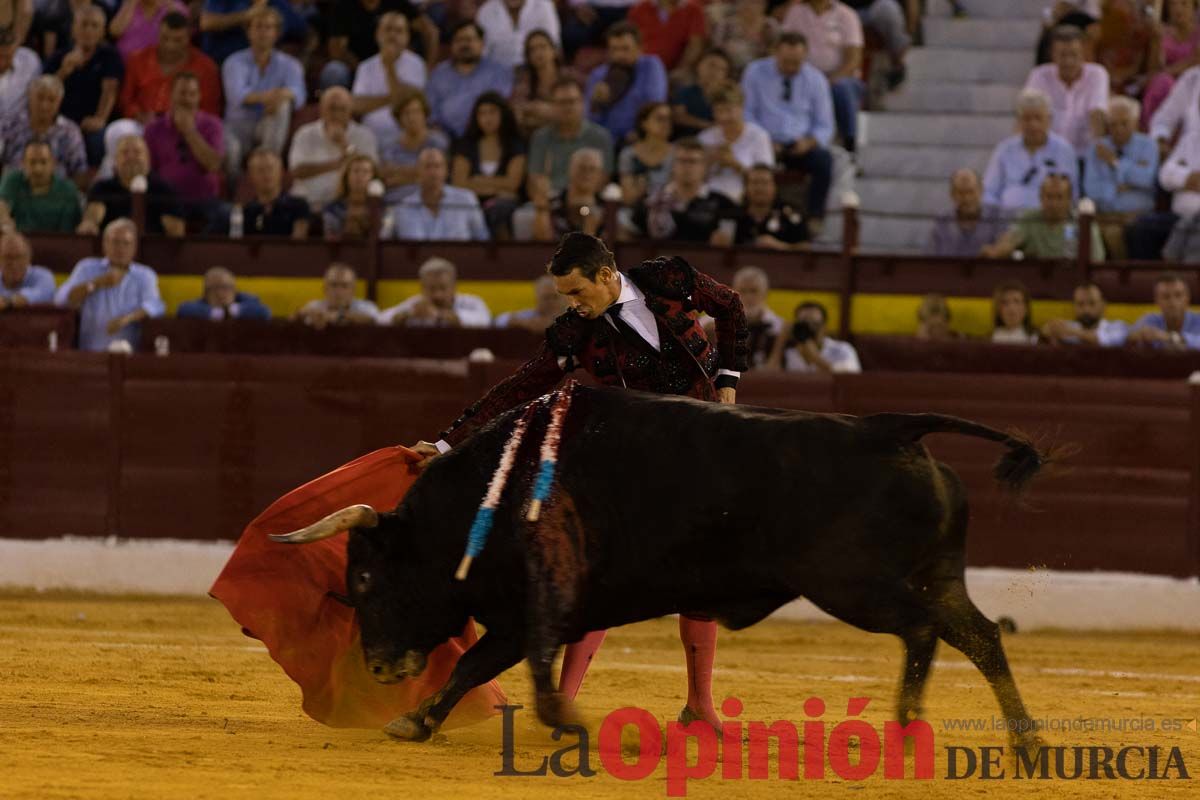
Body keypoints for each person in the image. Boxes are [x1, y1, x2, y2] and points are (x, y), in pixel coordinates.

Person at [409, 232, 750, 734]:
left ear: (606, 276)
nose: (571, 304)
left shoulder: (667, 281)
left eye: (576, 292)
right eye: (564, 296)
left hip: (703, 456)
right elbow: (520, 386)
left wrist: (728, 380)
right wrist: (444, 445)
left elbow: (732, 306)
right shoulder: (576, 334)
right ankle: (561, 703)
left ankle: (699, 704)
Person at [741, 32, 834, 230]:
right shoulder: (755, 72)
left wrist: (809, 142)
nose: (792, 67)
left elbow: (825, 124)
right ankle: (744, 215)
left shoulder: (816, 79)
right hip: (762, 142)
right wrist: (763, 140)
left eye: (797, 62)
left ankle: (814, 217)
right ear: (775, 52)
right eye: (786, 61)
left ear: (805, 56)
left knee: (824, 161)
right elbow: (746, 113)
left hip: (800, 144)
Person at [54, 217, 166, 351]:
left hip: (130, 356)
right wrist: (95, 284)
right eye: (115, 242)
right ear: (105, 244)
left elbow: (156, 306)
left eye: (126, 243)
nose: (120, 248)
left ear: (135, 247)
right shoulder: (87, 268)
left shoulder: (145, 275)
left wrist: (126, 319)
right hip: (91, 354)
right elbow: (61, 300)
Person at [781, 0, 865, 155]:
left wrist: (830, 80)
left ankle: (849, 143)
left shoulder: (847, 15)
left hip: (839, 77)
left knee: (842, 89)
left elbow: (854, 59)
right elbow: (785, 45)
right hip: (802, 76)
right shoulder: (795, 12)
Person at [221, 7, 305, 160]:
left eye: (268, 27)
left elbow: (299, 96)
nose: (263, 32)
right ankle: (235, 183)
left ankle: (269, 162)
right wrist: (270, 97)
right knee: (230, 148)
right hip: (238, 126)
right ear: (249, 31)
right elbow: (237, 96)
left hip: (269, 123)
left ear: (276, 33)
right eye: (258, 26)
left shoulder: (291, 64)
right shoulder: (233, 62)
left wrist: (282, 95)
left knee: (283, 105)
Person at [44, 4, 123, 166]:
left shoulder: (110, 56)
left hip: (91, 122)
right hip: (61, 122)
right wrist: (64, 71)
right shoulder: (58, 57)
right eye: (84, 24)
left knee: (98, 136)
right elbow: (45, 92)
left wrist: (100, 118)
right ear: (73, 29)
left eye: (94, 26)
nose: (88, 30)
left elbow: (110, 90)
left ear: (102, 32)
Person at [1082, 96, 1157, 260]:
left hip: (1138, 215)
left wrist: (1115, 162)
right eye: (1113, 124)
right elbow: (1091, 189)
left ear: (1135, 123)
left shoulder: (1148, 145)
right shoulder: (1098, 147)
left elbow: (1146, 180)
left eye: (1124, 123)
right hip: (1105, 215)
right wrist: (1122, 185)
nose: (1118, 129)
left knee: (1114, 234)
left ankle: (1123, 277)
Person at [981, 88, 1078, 212]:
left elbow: (1072, 194)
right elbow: (989, 192)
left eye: (1038, 118)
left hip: (1048, 221)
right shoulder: (1005, 150)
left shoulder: (1064, 150)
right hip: (1008, 220)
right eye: (1027, 118)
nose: (1033, 124)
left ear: (1049, 119)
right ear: (1019, 121)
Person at [144, 71, 226, 216]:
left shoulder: (212, 125)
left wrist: (190, 131)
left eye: (192, 94)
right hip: (165, 201)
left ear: (199, 96)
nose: (187, 99)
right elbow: (149, 171)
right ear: (171, 95)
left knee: (225, 216)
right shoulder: (153, 129)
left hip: (204, 201)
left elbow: (213, 165)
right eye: (182, 93)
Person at [120, 11, 222, 123]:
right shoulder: (138, 59)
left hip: (189, 127)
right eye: (165, 38)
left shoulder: (206, 67)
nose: (170, 45)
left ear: (189, 37)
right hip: (140, 124)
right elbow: (126, 100)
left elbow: (210, 110)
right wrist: (138, 115)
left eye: (178, 40)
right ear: (158, 34)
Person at [1022, 25, 1109, 155]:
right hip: (1048, 154)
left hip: (1083, 154)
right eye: (1062, 55)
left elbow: (1097, 113)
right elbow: (1026, 112)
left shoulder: (1097, 74)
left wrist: (1097, 150)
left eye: (1074, 55)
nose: (1068, 62)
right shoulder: (1039, 75)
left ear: (1083, 53)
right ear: (1052, 54)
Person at [450, 92, 527, 237]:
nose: (487, 118)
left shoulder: (515, 145)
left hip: (504, 206)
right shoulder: (466, 145)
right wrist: (497, 188)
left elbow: (513, 183)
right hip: (471, 203)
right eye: (482, 113)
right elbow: (459, 184)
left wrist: (476, 181)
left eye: (492, 112)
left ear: (502, 114)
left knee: (498, 209)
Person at [288, 86, 379, 209]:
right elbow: (297, 171)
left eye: (342, 109)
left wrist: (344, 145)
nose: (336, 114)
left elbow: (370, 172)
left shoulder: (364, 135)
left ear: (350, 110)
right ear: (321, 109)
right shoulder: (305, 133)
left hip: (346, 205)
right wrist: (337, 163)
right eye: (332, 108)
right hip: (308, 202)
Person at [632, 137, 738, 243]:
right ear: (672, 165)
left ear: (704, 167)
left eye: (693, 161)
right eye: (682, 161)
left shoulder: (723, 204)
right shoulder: (650, 200)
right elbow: (632, 238)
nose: (687, 166)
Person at [80, 134, 185, 236]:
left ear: (148, 158)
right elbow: (92, 218)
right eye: (125, 152)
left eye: (137, 152)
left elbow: (176, 232)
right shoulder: (102, 188)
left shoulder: (164, 190)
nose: (131, 157)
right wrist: (90, 223)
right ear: (115, 160)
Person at [981, 174, 1104, 261]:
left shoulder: (1083, 223)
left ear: (1069, 200)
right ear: (1040, 198)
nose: (1053, 203)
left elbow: (1097, 260)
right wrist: (996, 251)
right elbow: (1010, 240)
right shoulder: (1029, 218)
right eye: (1049, 197)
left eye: (1059, 197)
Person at [425, 21, 514, 139]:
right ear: (451, 45)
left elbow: (501, 107)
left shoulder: (498, 72)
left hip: (488, 135)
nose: (464, 45)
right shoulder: (439, 74)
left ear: (481, 44)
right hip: (447, 137)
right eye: (459, 40)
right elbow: (431, 112)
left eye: (469, 40)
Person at [528, 77, 614, 197]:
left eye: (573, 101)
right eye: (562, 102)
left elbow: (602, 180)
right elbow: (534, 181)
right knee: (522, 215)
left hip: (586, 202)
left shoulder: (600, 137)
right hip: (550, 200)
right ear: (552, 105)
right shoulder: (541, 138)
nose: (568, 108)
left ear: (583, 103)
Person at [322, 0, 437, 90]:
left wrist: (429, 67)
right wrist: (364, 70)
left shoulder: (397, 3)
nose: (392, 33)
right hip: (356, 65)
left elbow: (430, 32)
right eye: (388, 29)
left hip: (397, 61)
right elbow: (336, 50)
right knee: (334, 70)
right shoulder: (343, 6)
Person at [584, 22, 669, 145]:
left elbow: (654, 105)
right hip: (608, 141)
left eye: (625, 49)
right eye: (614, 49)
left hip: (641, 138)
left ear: (639, 48)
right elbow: (590, 120)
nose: (620, 55)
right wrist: (596, 104)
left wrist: (638, 132)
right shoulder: (598, 75)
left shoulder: (651, 66)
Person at [351, 12, 427, 145]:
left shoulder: (417, 64)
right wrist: (392, 97)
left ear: (407, 37)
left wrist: (389, 67)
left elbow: (410, 104)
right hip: (371, 133)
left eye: (398, 31)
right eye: (388, 30)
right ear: (377, 35)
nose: (392, 35)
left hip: (405, 135)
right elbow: (357, 105)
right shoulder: (365, 67)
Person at [0, 75, 88, 188]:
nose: (44, 105)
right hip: (12, 192)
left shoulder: (70, 131)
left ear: (59, 102)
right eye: (40, 98)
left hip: (55, 194)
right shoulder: (8, 125)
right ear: (29, 97)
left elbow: (79, 171)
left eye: (51, 100)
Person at [385, 148, 490, 241]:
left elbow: (483, 240)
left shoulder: (466, 200)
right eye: (427, 166)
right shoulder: (403, 207)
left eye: (437, 166)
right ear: (418, 171)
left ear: (446, 171)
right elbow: (385, 241)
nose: (433, 172)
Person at [698, 83, 774, 204]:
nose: (724, 117)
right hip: (707, 197)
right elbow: (694, 178)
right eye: (718, 111)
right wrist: (710, 162)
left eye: (728, 110)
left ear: (741, 108)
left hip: (744, 199)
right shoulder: (705, 137)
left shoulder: (759, 136)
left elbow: (765, 179)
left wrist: (735, 164)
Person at [704, 264, 782, 368]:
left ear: (766, 293)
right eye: (743, 291)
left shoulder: (778, 326)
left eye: (754, 291)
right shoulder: (711, 319)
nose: (748, 297)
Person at [378, 257, 492, 327]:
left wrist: (439, 315)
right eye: (431, 289)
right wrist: (407, 315)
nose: (438, 295)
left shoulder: (473, 302)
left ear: (454, 287)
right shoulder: (416, 304)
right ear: (422, 289)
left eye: (443, 288)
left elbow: (485, 321)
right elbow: (380, 319)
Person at [0, 141, 83, 233]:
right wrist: (4, 221)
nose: (38, 169)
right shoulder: (12, 180)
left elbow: (68, 232)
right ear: (23, 163)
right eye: (32, 162)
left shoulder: (68, 190)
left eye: (43, 162)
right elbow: (2, 205)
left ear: (53, 163)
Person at [1142, 0, 1200, 128]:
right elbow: (1153, 69)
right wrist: (1156, 43)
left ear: (1194, 8)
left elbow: (1195, 61)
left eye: (1184, 4)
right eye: (1173, 4)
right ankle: (1153, 128)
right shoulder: (1163, 34)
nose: (1177, 8)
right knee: (1162, 82)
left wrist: (1166, 72)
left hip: (1193, 83)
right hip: (1167, 84)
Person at [378, 88, 449, 191]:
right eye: (406, 113)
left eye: (416, 111)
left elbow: (437, 177)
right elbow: (387, 179)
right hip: (395, 201)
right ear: (399, 117)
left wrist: (398, 173)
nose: (412, 118)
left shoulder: (438, 142)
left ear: (425, 114)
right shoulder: (388, 145)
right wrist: (417, 174)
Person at [199, 0, 307, 65]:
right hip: (220, 62)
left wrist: (304, 54)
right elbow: (206, 23)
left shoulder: (279, 4)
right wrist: (246, 16)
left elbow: (306, 32)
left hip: (265, 65)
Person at [531, 147, 606, 240]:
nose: (587, 173)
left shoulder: (607, 209)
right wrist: (541, 208)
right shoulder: (552, 202)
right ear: (570, 169)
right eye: (582, 168)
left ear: (600, 175)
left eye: (592, 169)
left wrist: (590, 229)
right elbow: (541, 241)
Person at [928, 169, 1004, 257]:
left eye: (971, 192)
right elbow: (929, 259)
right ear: (952, 194)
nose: (967, 198)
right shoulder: (942, 223)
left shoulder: (997, 219)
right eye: (961, 193)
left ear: (981, 191)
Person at [769, 300, 860, 373]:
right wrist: (780, 341)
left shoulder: (841, 349)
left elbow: (851, 379)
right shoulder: (789, 352)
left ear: (824, 327)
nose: (809, 329)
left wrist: (816, 358)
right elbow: (766, 379)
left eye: (814, 324)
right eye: (804, 324)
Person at [732, 163, 809, 248]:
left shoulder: (790, 215)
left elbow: (805, 248)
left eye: (765, 183)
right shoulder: (733, 215)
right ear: (745, 187)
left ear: (775, 187)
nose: (759, 188)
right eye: (754, 182)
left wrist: (781, 246)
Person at [238, 148, 310, 237]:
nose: (266, 174)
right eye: (260, 170)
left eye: (270, 168)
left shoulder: (299, 206)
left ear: (281, 171)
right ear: (250, 176)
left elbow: (297, 244)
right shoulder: (246, 211)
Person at [511, 30, 572, 134]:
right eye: (532, 50)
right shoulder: (524, 82)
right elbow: (517, 113)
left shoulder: (569, 77)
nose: (538, 53)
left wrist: (545, 111)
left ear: (554, 51)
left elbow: (577, 112)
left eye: (543, 47)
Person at [626, 0, 706, 77]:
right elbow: (630, 42)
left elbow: (695, 45)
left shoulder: (694, 10)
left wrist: (681, 70)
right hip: (643, 69)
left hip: (678, 72)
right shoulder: (639, 9)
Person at [617, 101, 673, 206]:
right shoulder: (628, 155)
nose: (666, 124)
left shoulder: (677, 154)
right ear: (644, 123)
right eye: (660, 119)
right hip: (634, 212)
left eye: (668, 119)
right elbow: (628, 198)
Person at [476, 0, 561, 69]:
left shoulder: (544, 6)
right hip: (499, 73)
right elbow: (482, 54)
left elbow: (553, 44)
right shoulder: (485, 12)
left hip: (536, 69)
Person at [1040, 281, 1128, 346]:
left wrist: (1072, 332)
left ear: (1103, 305)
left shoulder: (1118, 327)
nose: (1086, 310)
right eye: (1080, 304)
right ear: (1074, 306)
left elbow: (1103, 341)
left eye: (1092, 303)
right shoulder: (1068, 326)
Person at [1126, 272, 1200, 349]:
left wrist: (1169, 337)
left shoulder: (1198, 320)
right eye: (1166, 297)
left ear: (1187, 298)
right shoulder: (1149, 320)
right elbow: (1126, 336)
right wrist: (1135, 336)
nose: (1172, 302)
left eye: (1178, 295)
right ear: (1157, 301)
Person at [293, 262, 379, 328]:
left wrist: (338, 316)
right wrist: (301, 314)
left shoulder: (367, 307)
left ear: (353, 290)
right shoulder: (314, 305)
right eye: (334, 285)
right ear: (325, 289)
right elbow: (289, 323)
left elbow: (373, 320)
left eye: (345, 286)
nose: (339, 291)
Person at [670, 48, 731, 138]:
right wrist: (707, 125)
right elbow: (678, 116)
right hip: (687, 140)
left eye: (721, 69)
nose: (715, 72)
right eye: (711, 65)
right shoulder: (685, 92)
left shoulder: (727, 97)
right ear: (699, 65)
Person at [707, 0, 779, 74]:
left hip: (760, 74)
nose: (748, 6)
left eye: (754, 2)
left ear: (764, 5)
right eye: (743, 1)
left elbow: (775, 53)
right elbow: (716, 53)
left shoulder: (770, 26)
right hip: (729, 73)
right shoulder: (725, 26)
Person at [176, 265, 272, 320]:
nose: (220, 293)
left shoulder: (243, 299)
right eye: (215, 288)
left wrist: (233, 310)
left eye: (226, 287)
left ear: (234, 289)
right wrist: (216, 313)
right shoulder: (200, 304)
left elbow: (264, 312)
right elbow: (183, 309)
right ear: (205, 292)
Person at [322, 154, 379, 241]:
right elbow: (330, 238)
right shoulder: (333, 208)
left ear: (373, 177)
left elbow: (384, 237)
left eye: (366, 171)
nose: (360, 175)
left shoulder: (381, 207)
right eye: (356, 171)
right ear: (346, 176)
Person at [109, 0, 189, 61]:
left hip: (156, 68)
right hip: (125, 63)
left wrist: (168, 5)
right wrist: (131, 3)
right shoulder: (130, 4)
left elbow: (183, 34)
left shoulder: (175, 7)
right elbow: (115, 32)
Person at [0, 232, 56, 309]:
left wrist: (8, 302)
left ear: (28, 258)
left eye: (19, 257)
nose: (14, 264)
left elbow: (38, 295)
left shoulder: (44, 276)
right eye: (8, 257)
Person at [494, 273, 567, 331]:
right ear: (537, 299)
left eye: (555, 297)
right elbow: (499, 321)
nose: (551, 302)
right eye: (546, 298)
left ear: (565, 299)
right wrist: (523, 323)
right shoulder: (529, 316)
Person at [0, 27, 41, 124]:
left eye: (7, 56)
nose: (1, 62)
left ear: (15, 49)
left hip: (20, 128)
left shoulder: (30, 60)